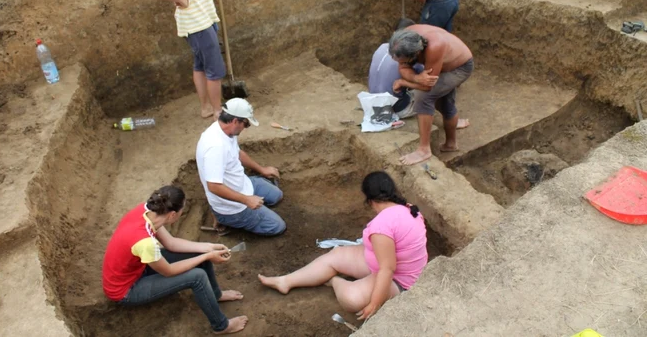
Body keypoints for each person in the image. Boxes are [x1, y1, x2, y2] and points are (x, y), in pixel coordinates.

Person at [259, 171, 428, 321]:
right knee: (336, 255)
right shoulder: (408, 208)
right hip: (386, 263)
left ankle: (334, 280)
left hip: (400, 280)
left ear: (369, 200)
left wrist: (375, 303)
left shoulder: (382, 226)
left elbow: (387, 269)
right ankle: (286, 281)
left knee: (351, 298)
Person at [102, 186, 248, 334]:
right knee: (197, 276)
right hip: (127, 289)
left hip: (137, 267)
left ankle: (216, 294)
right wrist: (206, 256)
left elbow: (171, 243)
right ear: (172, 215)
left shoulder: (147, 213)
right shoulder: (145, 243)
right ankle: (221, 326)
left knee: (200, 257)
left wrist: (208, 247)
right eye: (182, 210)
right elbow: (169, 271)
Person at [196, 98, 286, 236]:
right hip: (232, 208)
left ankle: (255, 208)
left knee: (276, 195)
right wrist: (247, 200)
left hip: (243, 184)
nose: (246, 128)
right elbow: (213, 186)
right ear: (235, 121)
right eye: (246, 124)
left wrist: (262, 169)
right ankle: (225, 220)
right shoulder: (215, 147)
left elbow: (237, 153)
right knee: (277, 226)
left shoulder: (226, 131)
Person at [389, 24, 473, 165]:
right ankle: (451, 144)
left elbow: (427, 87)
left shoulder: (434, 47)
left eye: (404, 60)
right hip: (442, 64)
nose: (400, 63)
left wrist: (404, 82)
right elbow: (403, 67)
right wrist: (416, 78)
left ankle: (424, 149)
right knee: (442, 101)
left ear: (415, 54)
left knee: (423, 97)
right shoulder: (404, 39)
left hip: (460, 67)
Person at [368, 18, 417, 119]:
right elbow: (424, 81)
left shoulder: (381, 47)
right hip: (396, 109)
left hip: (373, 103)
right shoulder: (407, 55)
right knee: (431, 86)